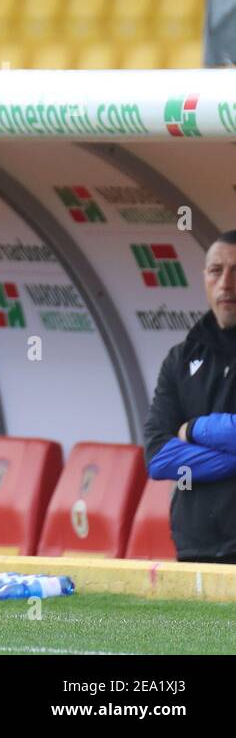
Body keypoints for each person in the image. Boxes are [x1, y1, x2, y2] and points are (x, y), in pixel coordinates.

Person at [143, 231, 236, 562]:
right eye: (216, 270)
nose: (226, 283)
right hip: (195, 548)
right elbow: (157, 457)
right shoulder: (180, 358)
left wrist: (194, 430)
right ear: (204, 278)